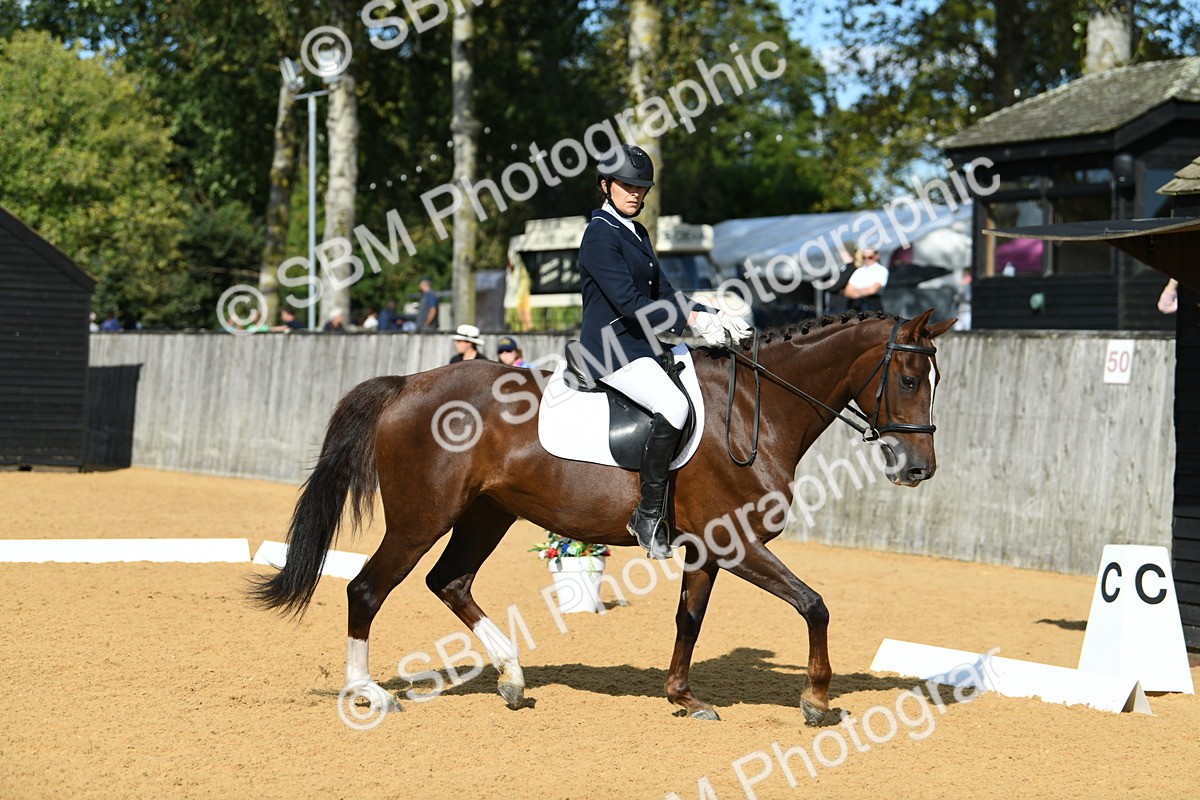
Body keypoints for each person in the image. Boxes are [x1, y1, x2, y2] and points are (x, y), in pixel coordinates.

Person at [576, 143, 751, 558]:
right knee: (674, 406)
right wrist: (688, 324)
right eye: (627, 185)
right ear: (605, 186)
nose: (635, 193)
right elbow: (629, 303)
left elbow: (665, 293)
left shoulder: (636, 231)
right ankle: (649, 513)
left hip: (645, 346)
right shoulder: (600, 235)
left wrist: (714, 313)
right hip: (611, 350)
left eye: (641, 187)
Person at [842, 243, 888, 312]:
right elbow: (847, 291)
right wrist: (864, 291)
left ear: (876, 256)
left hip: (872, 306)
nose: (867, 260)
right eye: (864, 257)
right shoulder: (859, 271)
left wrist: (856, 291)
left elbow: (872, 290)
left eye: (870, 257)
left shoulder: (882, 270)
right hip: (857, 306)